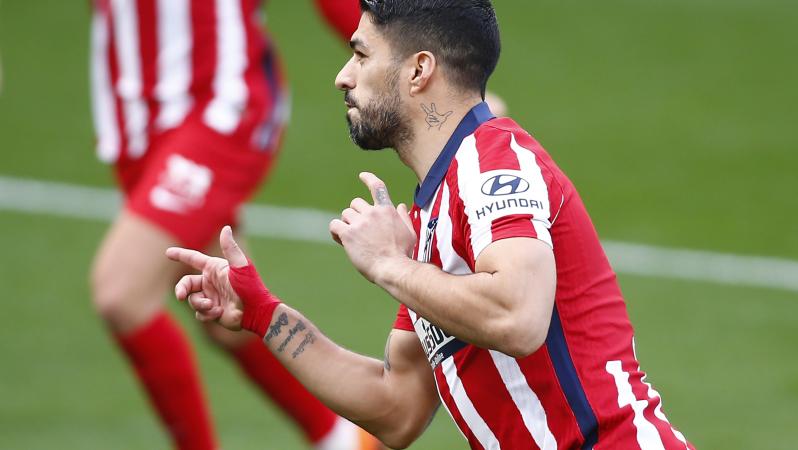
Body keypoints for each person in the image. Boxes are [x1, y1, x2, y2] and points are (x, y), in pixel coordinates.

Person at [166, 0, 694, 448]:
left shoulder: (493, 163)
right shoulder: (433, 211)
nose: (342, 76)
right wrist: (265, 315)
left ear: (419, 71)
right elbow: (397, 407)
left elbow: (518, 317)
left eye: (360, 53)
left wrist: (389, 263)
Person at [88, 0, 382, 449]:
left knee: (121, 292)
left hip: (218, 105)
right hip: (139, 122)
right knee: (218, 298)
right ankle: (341, 438)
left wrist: (398, 60)